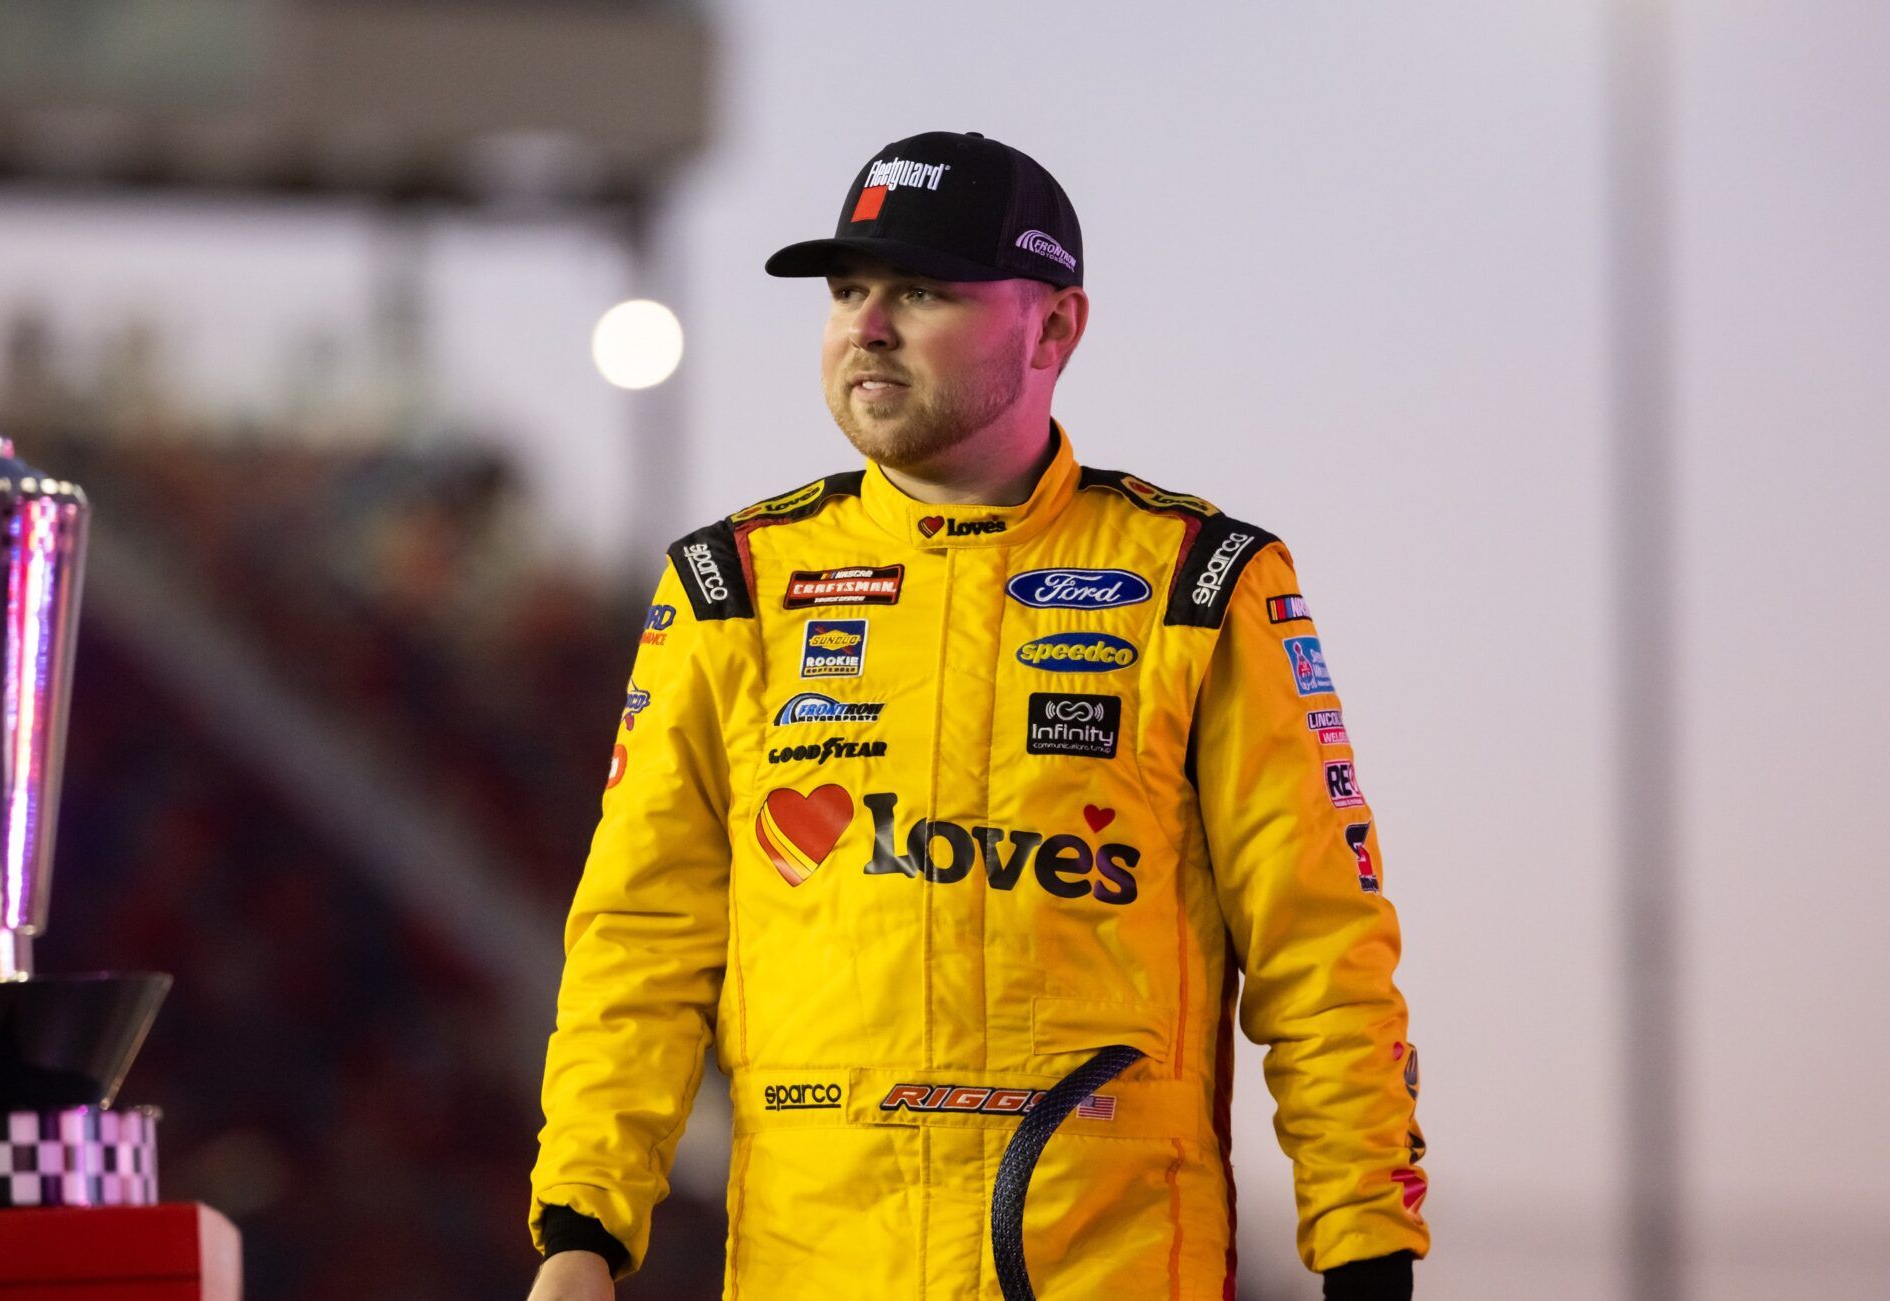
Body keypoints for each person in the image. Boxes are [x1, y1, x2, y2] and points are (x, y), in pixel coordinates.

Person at [526, 130, 1428, 1301]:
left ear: (1055, 326)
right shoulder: (730, 586)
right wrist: (580, 1230)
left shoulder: (1200, 583)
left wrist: (1366, 1249)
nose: (868, 325)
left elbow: (1322, 947)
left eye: (923, 290)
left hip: (1105, 1267)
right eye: (848, 289)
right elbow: (640, 939)